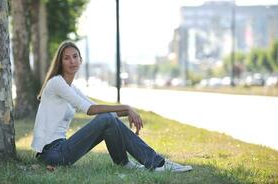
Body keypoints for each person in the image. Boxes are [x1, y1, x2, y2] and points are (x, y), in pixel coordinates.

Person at [31, 40, 193, 172]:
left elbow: (94, 107)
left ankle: (125, 163)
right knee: (107, 118)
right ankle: (156, 163)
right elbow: (89, 110)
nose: (72, 61)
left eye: (75, 56)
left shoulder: (72, 88)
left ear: (81, 60)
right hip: (53, 153)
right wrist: (127, 107)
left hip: (59, 150)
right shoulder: (56, 83)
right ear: (60, 62)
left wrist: (127, 111)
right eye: (66, 58)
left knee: (108, 120)